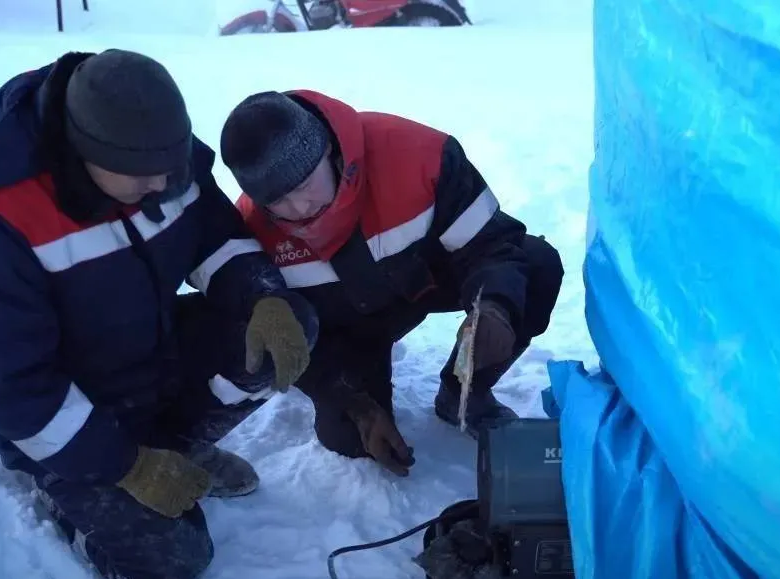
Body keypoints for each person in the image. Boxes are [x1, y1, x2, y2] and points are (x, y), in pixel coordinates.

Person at [0, 50, 319, 579]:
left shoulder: (159, 159)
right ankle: (65, 495)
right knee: (174, 564)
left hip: (148, 358)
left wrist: (263, 296)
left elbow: (215, 236)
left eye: (172, 166)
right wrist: (128, 467)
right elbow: (15, 394)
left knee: (286, 328)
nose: (164, 183)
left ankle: (176, 445)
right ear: (87, 152)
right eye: (143, 175)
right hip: (63, 420)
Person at [219, 89, 564, 477]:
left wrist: (496, 308)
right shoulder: (251, 234)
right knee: (353, 440)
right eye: (278, 201)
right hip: (348, 326)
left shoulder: (418, 155)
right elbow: (293, 336)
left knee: (535, 267)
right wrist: (353, 402)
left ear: (329, 152)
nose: (299, 207)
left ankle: (464, 394)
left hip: (424, 280)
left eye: (304, 184)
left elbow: (493, 243)